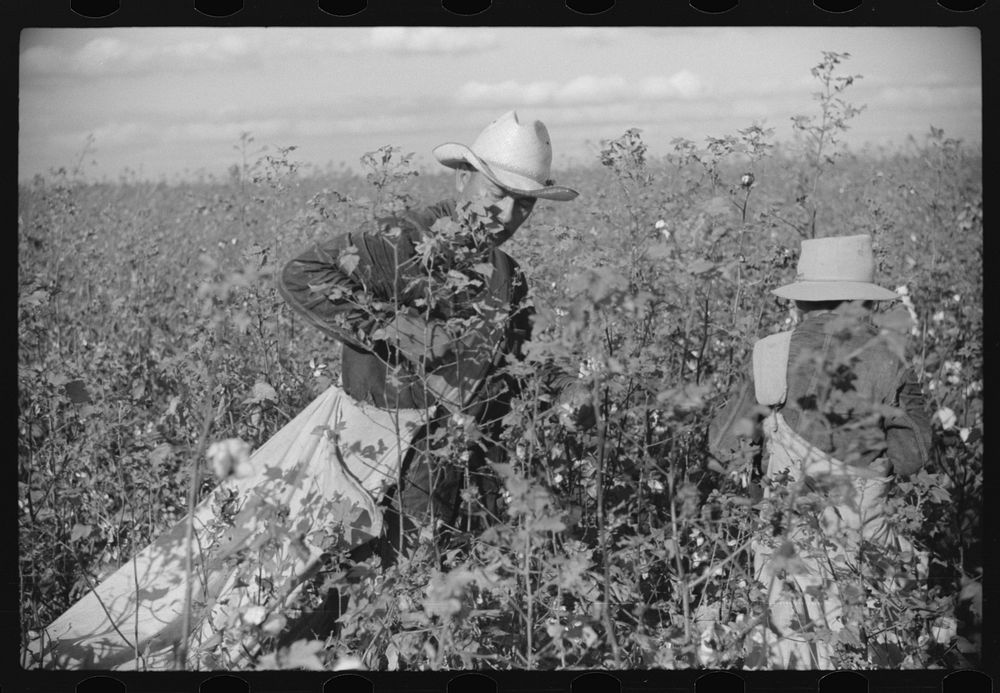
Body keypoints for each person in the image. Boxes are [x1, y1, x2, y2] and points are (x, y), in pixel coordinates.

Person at [28, 110, 579, 671]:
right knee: (292, 603)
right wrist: (389, 327)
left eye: (524, 202)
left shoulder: (508, 274)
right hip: (367, 462)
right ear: (463, 176)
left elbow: (516, 369)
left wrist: (568, 392)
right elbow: (303, 273)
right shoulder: (403, 240)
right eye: (497, 193)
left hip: (450, 472)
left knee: (411, 609)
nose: (507, 213)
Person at [708, 234, 932, 669]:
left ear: (799, 303)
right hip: (863, 553)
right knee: (869, 651)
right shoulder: (890, 361)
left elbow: (723, 447)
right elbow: (913, 457)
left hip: (784, 555)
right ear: (866, 304)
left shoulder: (770, 355)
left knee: (788, 653)